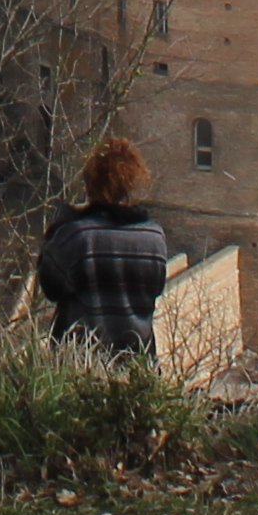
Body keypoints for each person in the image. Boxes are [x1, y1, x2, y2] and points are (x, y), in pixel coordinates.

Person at [33, 137, 172, 358]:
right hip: (136, 359)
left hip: (81, 359)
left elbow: (51, 286)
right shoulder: (153, 236)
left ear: (90, 183)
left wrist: (62, 223)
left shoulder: (77, 235)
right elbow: (154, 289)